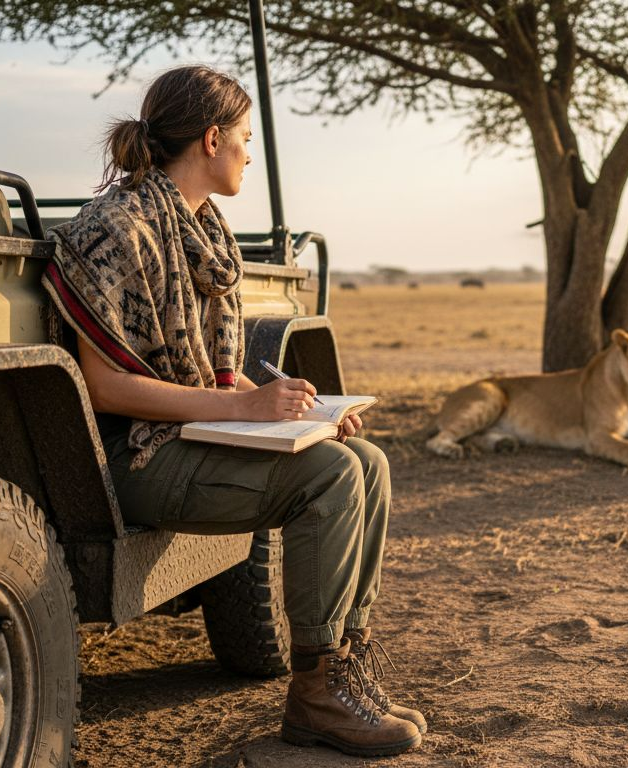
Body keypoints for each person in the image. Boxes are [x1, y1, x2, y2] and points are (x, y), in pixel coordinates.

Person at [40, 65, 424, 758]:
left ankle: (344, 666)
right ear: (212, 140)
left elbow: (215, 381)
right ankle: (314, 697)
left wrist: (298, 412)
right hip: (132, 456)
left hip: (189, 435)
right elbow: (104, 389)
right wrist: (245, 405)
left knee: (365, 461)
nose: (251, 151)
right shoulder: (117, 230)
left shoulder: (204, 234)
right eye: (246, 137)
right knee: (331, 478)